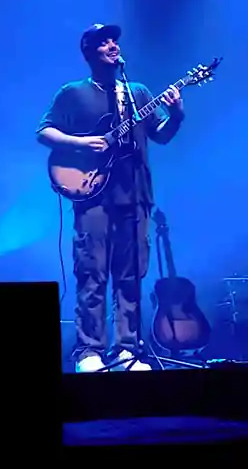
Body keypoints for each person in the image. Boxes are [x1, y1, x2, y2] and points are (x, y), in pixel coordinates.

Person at [37, 23, 185, 373]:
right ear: (89, 52)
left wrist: (177, 114)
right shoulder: (73, 93)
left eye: (114, 40)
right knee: (92, 273)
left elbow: (161, 135)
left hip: (135, 195)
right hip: (92, 195)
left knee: (131, 275)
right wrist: (81, 143)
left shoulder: (137, 92)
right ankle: (88, 350)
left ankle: (126, 349)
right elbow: (44, 131)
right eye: (103, 42)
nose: (112, 45)